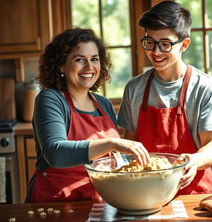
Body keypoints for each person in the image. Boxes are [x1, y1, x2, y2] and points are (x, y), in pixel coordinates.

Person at [25, 28, 150, 203]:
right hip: (55, 202)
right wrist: (112, 143)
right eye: (79, 60)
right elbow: (55, 153)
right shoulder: (50, 99)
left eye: (94, 59)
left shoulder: (104, 104)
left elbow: (109, 162)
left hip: (96, 202)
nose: (89, 67)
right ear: (61, 65)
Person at [117, 1, 212, 195]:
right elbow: (130, 143)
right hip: (145, 192)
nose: (156, 52)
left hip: (193, 192)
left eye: (165, 44)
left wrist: (195, 160)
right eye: (149, 42)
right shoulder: (134, 88)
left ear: (184, 44)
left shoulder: (205, 87)